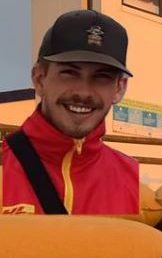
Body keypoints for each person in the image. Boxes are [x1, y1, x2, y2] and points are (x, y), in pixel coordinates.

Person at [1, 9, 139, 215]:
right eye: (69, 73)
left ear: (119, 88)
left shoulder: (134, 181)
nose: (83, 92)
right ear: (39, 79)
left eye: (102, 77)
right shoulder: (3, 167)